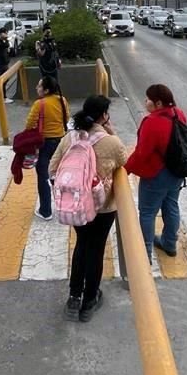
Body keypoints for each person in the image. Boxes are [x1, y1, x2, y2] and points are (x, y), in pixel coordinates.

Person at [50, 95, 126, 322]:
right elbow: (124, 160)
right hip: (102, 208)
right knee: (96, 250)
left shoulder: (70, 137)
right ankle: (90, 300)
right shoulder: (110, 142)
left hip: (75, 206)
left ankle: (74, 297)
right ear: (104, 116)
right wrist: (111, 131)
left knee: (82, 246)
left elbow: (52, 168)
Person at [125, 84, 185, 261]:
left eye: (148, 99)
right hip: (176, 171)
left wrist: (125, 169)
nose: (146, 101)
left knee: (148, 212)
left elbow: (142, 153)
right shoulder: (178, 113)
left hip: (156, 175)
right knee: (171, 206)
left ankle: (145, 253)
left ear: (158, 103)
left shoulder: (151, 122)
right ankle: (169, 243)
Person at [26, 75, 69, 220]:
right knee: (59, 174)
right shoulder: (62, 100)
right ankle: (66, 206)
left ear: (46, 90)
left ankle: (45, 211)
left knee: (43, 175)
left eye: (39, 86)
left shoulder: (40, 104)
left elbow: (30, 123)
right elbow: (66, 118)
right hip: (61, 142)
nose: (36, 88)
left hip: (44, 144)